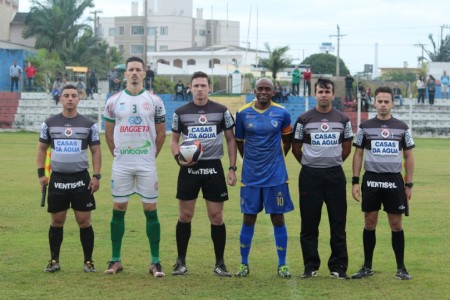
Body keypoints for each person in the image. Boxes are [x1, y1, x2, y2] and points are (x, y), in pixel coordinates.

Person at [103, 56, 167, 277]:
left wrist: (150, 156)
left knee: (150, 209)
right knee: (119, 208)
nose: (134, 73)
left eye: (138, 70)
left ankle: (155, 262)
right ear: (125, 74)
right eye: (130, 70)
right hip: (122, 165)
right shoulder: (113, 101)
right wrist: (119, 155)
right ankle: (115, 259)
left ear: (144, 73)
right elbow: (109, 134)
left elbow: (160, 134)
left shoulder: (155, 101)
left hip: (146, 164)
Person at [170, 71, 237, 277]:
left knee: (216, 217)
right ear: (190, 87)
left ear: (209, 87)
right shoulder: (180, 112)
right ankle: (180, 262)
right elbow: (174, 140)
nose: (199, 89)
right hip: (189, 168)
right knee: (185, 215)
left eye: (203, 85)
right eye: (196, 85)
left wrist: (232, 168)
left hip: (213, 167)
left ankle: (220, 263)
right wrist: (179, 158)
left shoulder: (221, 111)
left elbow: (231, 139)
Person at [351, 86, 415, 280]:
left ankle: (401, 268)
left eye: (387, 101)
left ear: (392, 103)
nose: (383, 105)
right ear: (375, 102)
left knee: (396, 224)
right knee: (369, 222)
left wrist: (409, 184)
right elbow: (358, 153)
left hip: (394, 180)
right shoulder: (365, 127)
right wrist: (355, 181)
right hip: (371, 179)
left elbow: (409, 155)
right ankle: (367, 267)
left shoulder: (402, 127)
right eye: (380, 101)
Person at [292, 77, 354, 279]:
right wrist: (310, 163)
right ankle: (310, 266)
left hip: (334, 174)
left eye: (327, 92)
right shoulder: (304, 119)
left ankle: (338, 267)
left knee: (338, 223)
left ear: (333, 95)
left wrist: (333, 161)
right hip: (310, 175)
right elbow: (296, 147)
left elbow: (347, 147)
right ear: (315, 94)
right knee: (309, 223)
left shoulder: (343, 120)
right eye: (320, 91)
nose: (324, 95)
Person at [36, 84, 102, 273]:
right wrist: (41, 175)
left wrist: (96, 176)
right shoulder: (49, 123)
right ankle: (54, 260)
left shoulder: (89, 124)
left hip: (81, 179)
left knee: (84, 221)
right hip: (57, 178)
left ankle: (88, 261)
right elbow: (41, 149)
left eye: (74, 95)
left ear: (79, 98)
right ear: (60, 99)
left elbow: (96, 151)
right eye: (66, 95)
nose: (70, 98)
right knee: (57, 221)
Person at [234, 78, 294, 279]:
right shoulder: (243, 113)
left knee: (278, 217)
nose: (263, 92)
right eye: (260, 88)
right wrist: (252, 161)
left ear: (273, 91)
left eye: (267, 89)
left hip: (276, 176)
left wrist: (275, 160)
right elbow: (240, 142)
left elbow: (287, 141)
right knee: (249, 217)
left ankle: (282, 264)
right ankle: (243, 263)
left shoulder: (282, 113)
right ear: (254, 90)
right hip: (251, 176)